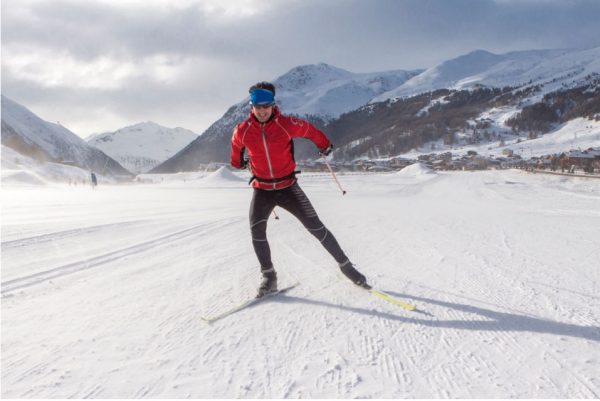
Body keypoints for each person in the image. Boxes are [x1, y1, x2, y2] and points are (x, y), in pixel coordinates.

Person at [230, 82, 368, 297]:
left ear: (273, 104)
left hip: (288, 188)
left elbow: (311, 131)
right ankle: (269, 277)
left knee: (316, 228)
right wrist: (238, 162)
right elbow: (236, 152)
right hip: (262, 189)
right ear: (252, 106)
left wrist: (324, 145)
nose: (262, 110)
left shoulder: (287, 124)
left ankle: (346, 266)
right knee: (256, 231)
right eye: (258, 106)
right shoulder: (243, 130)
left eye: (266, 105)